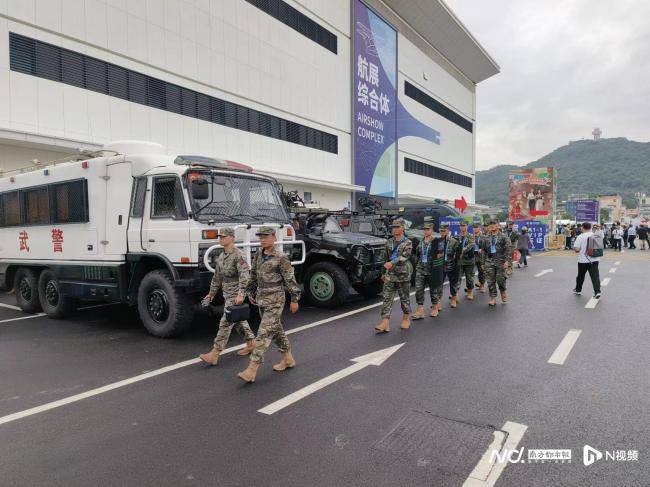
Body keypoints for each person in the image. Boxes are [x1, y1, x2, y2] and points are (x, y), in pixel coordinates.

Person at [237, 226, 301, 383]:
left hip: (276, 300)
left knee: (263, 334)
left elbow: (290, 280)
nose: (263, 239)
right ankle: (288, 359)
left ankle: (252, 369)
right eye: (261, 237)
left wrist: (294, 299)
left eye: (266, 236)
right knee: (276, 330)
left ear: (274, 238)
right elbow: (253, 276)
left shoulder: (281, 257)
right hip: (262, 299)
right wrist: (250, 293)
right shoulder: (259, 254)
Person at [199, 228, 256, 366]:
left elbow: (245, 276)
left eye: (224, 236)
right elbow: (217, 278)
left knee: (225, 322)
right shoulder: (221, 256)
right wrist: (211, 294)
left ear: (232, 238)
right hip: (227, 293)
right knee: (238, 320)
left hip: (236, 294)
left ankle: (215, 353)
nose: (221, 238)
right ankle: (251, 344)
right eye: (220, 236)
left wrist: (241, 294)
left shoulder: (239, 255)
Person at [375, 218, 412, 333]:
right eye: (393, 227)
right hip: (390, 275)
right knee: (387, 298)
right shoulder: (389, 242)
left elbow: (404, 257)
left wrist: (392, 263)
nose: (394, 229)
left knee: (404, 298)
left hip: (402, 275)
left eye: (397, 227)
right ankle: (385, 322)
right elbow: (385, 258)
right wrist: (383, 273)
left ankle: (406, 318)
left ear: (402, 228)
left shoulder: (408, 242)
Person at [480, 220, 512, 307]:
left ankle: (503, 291)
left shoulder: (503, 237)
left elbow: (508, 250)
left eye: (494, 224)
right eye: (490, 225)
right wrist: (482, 263)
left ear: (498, 226)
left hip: (500, 261)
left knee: (500, 280)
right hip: (489, 261)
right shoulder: (486, 237)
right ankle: (493, 298)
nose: (492, 226)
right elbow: (483, 251)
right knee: (490, 281)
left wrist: (507, 262)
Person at [432, 223, 461, 309]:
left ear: (448, 231)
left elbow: (458, 255)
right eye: (441, 231)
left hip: (451, 266)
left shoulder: (454, 241)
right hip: (440, 266)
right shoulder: (437, 241)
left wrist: (457, 267)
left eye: (444, 231)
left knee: (453, 283)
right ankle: (438, 302)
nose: (442, 232)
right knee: (439, 285)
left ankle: (453, 298)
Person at [572, 222, 602, 299]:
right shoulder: (596, 235)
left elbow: (577, 249)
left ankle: (578, 290)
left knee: (581, 276)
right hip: (594, 259)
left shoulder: (580, 237)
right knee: (595, 276)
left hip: (583, 260)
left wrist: (575, 249)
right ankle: (597, 291)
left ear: (582, 227)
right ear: (590, 228)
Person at [413, 221, 436, 320]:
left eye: (428, 229)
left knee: (433, 290)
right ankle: (420, 310)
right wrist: (417, 266)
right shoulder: (420, 241)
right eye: (425, 229)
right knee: (418, 290)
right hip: (421, 269)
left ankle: (435, 307)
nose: (426, 231)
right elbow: (417, 255)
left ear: (432, 230)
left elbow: (438, 256)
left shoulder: (436, 242)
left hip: (431, 270)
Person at [457, 222, 476, 300]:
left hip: (469, 260)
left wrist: (462, 251)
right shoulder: (457, 236)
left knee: (469, 277)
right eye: (461, 226)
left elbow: (470, 245)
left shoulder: (471, 236)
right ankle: (456, 293)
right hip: (460, 261)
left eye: (464, 226)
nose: (462, 227)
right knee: (457, 277)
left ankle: (470, 291)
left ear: (467, 227)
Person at [473, 224, 486, 293]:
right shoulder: (471, 237)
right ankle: (469, 287)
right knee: (470, 272)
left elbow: (486, 246)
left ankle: (482, 285)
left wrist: (482, 249)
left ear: (479, 228)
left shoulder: (483, 237)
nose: (475, 229)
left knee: (481, 271)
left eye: (476, 227)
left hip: (480, 256)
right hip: (472, 255)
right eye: (474, 228)